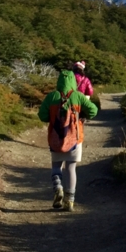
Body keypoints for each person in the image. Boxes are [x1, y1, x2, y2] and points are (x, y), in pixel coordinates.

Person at [38, 69, 98, 211]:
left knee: (56, 167)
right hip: (75, 138)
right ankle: (69, 201)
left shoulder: (52, 96)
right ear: (73, 81)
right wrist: (82, 115)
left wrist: (52, 117)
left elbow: (42, 116)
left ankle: (58, 187)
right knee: (71, 169)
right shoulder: (78, 96)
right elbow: (93, 110)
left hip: (55, 138)